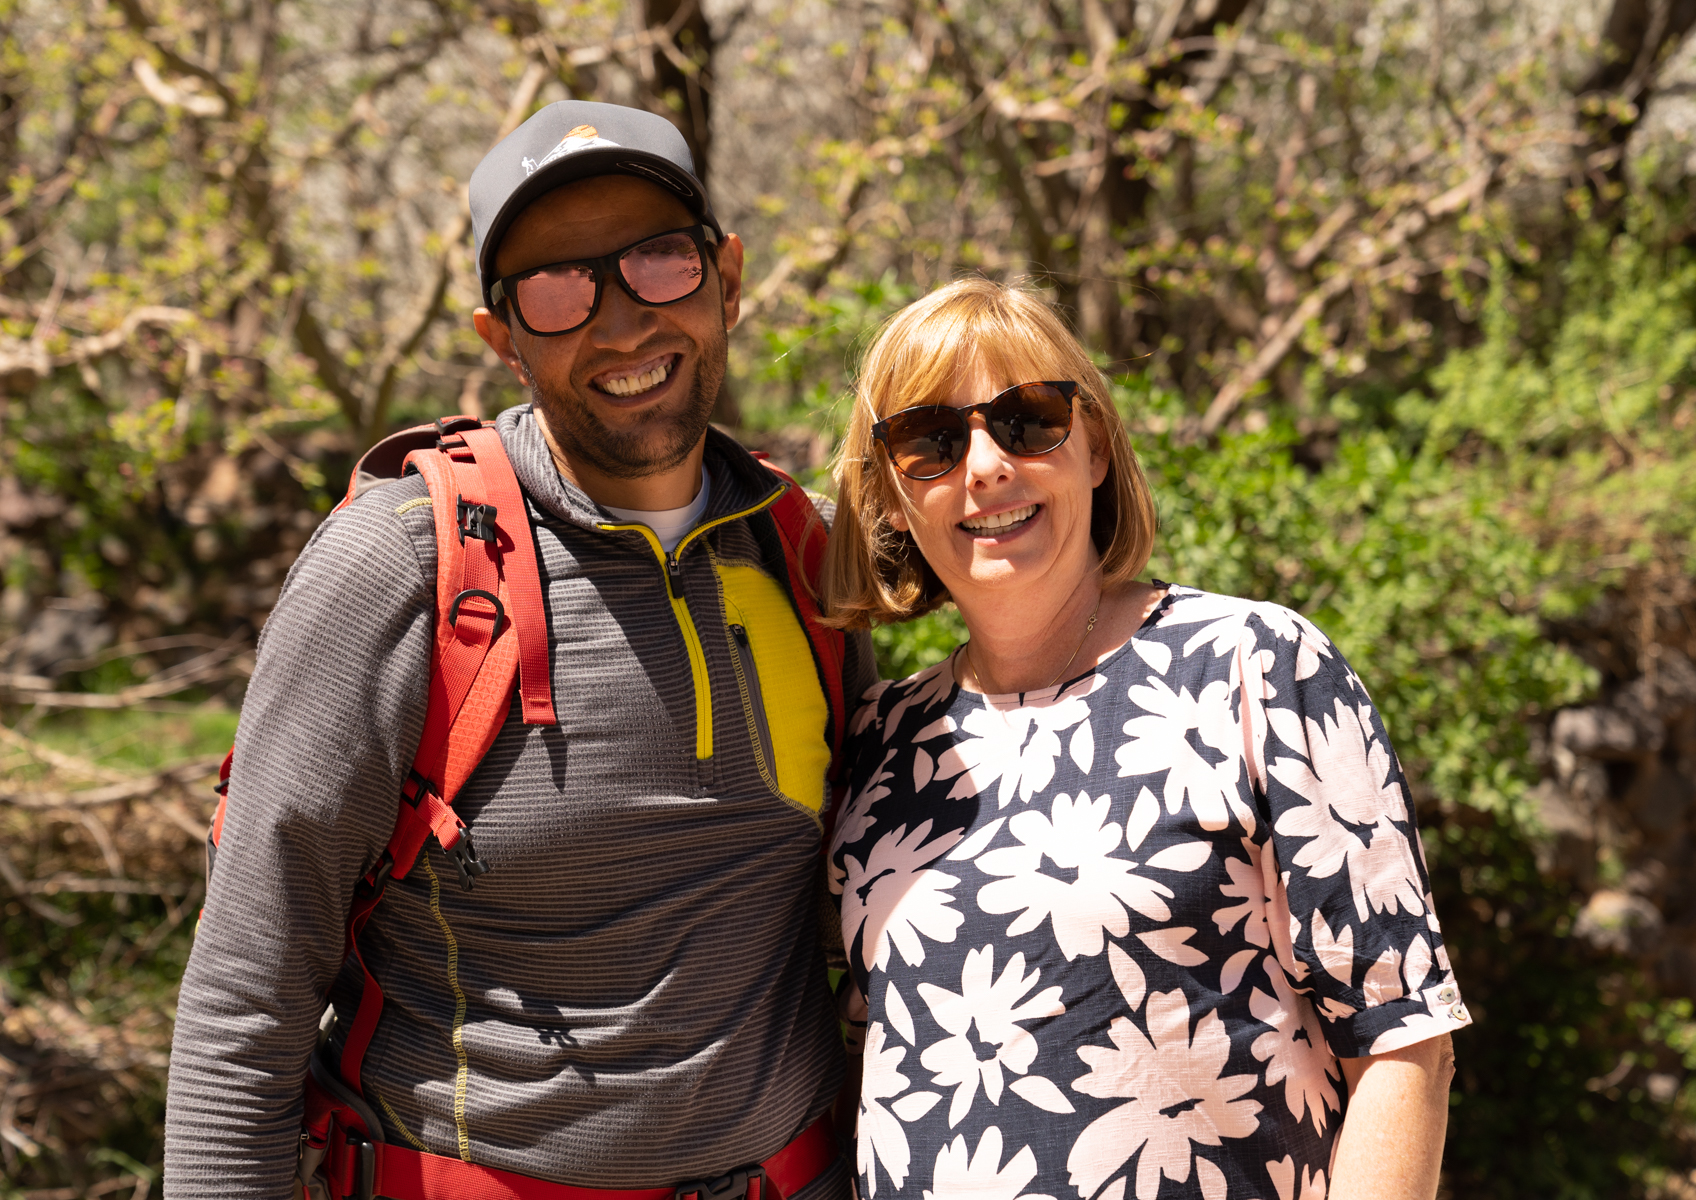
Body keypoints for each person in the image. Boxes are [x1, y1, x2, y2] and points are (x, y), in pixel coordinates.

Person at [165, 101, 873, 1200]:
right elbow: (245, 994)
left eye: (660, 261)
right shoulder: (401, 563)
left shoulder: (805, 555)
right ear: (501, 338)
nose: (623, 323)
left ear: (727, 277)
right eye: (557, 289)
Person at [820, 278, 1468, 1200]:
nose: (986, 465)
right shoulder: (882, 738)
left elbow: (1403, 1044)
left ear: (1094, 448)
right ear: (890, 497)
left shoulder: (1255, 669)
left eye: (1029, 420)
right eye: (929, 441)